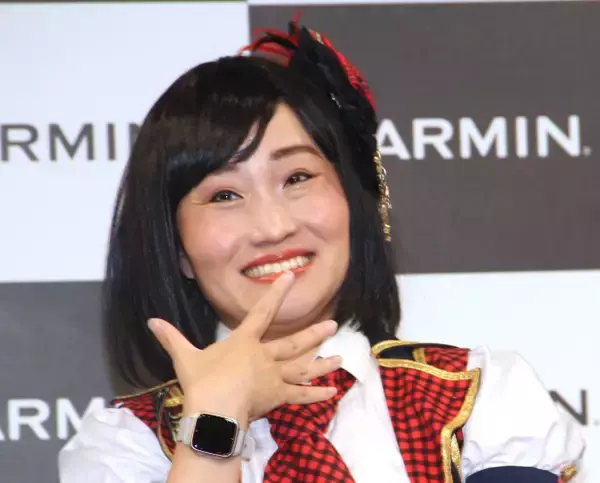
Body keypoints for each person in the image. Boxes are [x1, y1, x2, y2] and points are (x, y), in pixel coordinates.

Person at [58, 20, 585, 483]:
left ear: (351, 201)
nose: (273, 227)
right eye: (224, 196)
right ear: (177, 249)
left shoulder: (475, 398)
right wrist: (215, 426)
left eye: (297, 177)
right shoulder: (126, 445)